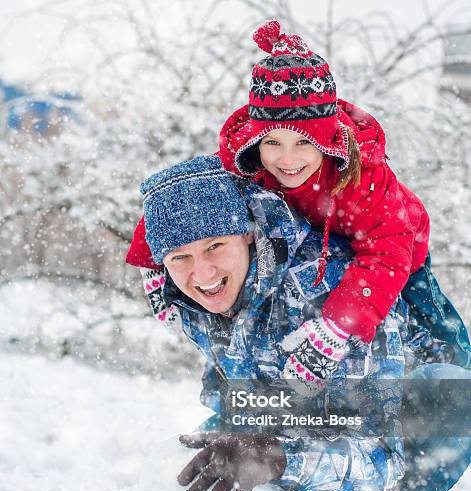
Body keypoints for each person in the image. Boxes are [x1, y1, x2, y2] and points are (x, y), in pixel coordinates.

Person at [134, 154, 471, 491]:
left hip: (401, 400)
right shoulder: (185, 296)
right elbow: (242, 389)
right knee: (227, 445)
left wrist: (279, 458)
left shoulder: (330, 289)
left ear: (248, 235)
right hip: (299, 389)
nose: (203, 274)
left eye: (215, 246)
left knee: (449, 408)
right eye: (181, 258)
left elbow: (380, 462)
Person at [126, 20, 471, 392]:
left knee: (441, 341)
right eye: (272, 142)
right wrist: (154, 260)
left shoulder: (362, 179)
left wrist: (337, 327)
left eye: (304, 143)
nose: (286, 160)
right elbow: (181, 194)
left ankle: (457, 393)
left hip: (397, 251)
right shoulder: (249, 159)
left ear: (328, 139)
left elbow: (387, 256)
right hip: (321, 243)